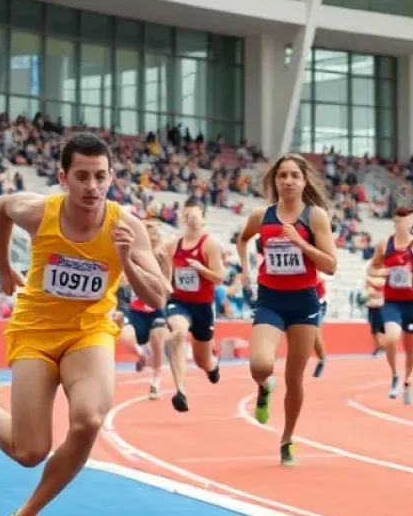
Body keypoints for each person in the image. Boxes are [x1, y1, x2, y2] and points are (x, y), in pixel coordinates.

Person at [0, 133, 170, 516]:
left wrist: (127, 260)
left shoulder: (126, 226)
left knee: (89, 420)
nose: (92, 187)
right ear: (63, 178)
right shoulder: (40, 212)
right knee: (30, 452)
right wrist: (3, 264)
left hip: (88, 332)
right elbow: (2, 207)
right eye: (82, 176)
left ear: (111, 177)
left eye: (100, 176)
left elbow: (158, 298)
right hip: (35, 332)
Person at [237, 154, 337, 466]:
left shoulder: (315, 216)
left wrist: (301, 243)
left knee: (295, 379)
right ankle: (264, 386)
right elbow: (242, 241)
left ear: (304, 181)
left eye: (295, 175)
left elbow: (331, 265)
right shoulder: (261, 216)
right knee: (260, 364)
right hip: (270, 299)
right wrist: (245, 269)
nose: (289, 181)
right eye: (283, 176)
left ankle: (287, 440)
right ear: (275, 181)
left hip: (304, 303)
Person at [370, 207, 413, 404]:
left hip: (412, 303)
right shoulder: (385, 245)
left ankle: (408, 381)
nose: (401, 225)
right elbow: (372, 268)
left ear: (411, 222)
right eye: (397, 221)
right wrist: (384, 273)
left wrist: (411, 275)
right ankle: (394, 375)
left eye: (405, 221)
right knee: (391, 338)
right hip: (391, 302)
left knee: (409, 349)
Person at [164, 198, 224, 412]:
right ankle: (180, 391)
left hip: (203, 307)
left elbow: (219, 277)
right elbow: (153, 255)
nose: (190, 221)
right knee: (178, 333)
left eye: (195, 217)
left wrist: (200, 268)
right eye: (187, 216)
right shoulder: (173, 244)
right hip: (179, 302)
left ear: (203, 220)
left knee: (202, 361)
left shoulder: (210, 244)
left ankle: (213, 366)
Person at [119, 220, 172, 399]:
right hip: (136, 308)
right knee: (124, 336)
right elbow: (121, 275)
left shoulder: (161, 256)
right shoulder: (131, 253)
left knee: (158, 339)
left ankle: (155, 381)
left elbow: (167, 284)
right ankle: (142, 355)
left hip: (156, 308)